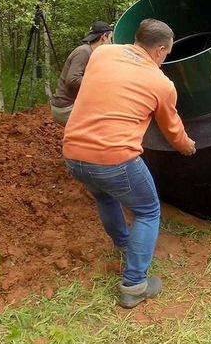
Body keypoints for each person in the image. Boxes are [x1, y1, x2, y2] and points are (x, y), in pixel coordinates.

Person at [62, 18, 196, 308]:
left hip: (74, 153)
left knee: (106, 197)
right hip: (114, 158)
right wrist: (188, 148)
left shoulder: (102, 54)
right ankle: (135, 285)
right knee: (148, 211)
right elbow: (173, 131)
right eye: (167, 54)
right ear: (160, 51)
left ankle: (125, 244)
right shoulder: (161, 83)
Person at [50, 21, 113, 125]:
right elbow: (72, 80)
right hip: (66, 108)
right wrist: (99, 85)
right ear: (103, 37)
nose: (111, 43)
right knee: (105, 124)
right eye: (110, 38)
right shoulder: (83, 52)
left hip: (73, 105)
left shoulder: (92, 53)